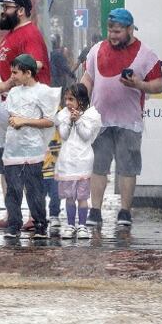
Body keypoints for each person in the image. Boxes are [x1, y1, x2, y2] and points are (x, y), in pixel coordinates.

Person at [81, 9, 162, 231]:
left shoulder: (146, 54)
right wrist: (79, 99)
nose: (113, 35)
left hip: (129, 122)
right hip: (100, 121)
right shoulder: (96, 50)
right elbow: (88, 78)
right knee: (98, 167)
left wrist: (140, 85)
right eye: (110, 31)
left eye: (117, 31)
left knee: (127, 168)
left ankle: (125, 212)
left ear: (129, 29)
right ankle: (95, 211)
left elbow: (158, 85)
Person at [0, 0, 51, 230]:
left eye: (6, 7)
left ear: (20, 10)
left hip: (24, 112)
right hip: (4, 112)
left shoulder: (29, 34)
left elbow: (36, 64)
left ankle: (35, 217)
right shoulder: (10, 35)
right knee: (7, 165)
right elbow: (4, 68)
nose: (2, 11)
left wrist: (6, 84)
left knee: (27, 166)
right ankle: (12, 215)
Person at [1, 54, 58, 239]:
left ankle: (40, 223)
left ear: (28, 73)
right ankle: (13, 224)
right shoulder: (13, 93)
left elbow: (49, 121)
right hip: (13, 148)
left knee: (34, 189)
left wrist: (24, 121)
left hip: (33, 149)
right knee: (13, 189)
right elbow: (10, 116)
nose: (12, 76)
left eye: (15, 73)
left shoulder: (43, 92)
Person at [54, 83, 102, 239]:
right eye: (66, 99)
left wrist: (79, 120)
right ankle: (70, 225)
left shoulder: (90, 116)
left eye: (71, 99)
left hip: (83, 161)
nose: (67, 103)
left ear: (81, 101)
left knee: (82, 197)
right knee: (69, 196)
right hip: (67, 162)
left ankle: (82, 225)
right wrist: (69, 120)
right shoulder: (62, 115)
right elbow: (64, 135)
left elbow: (86, 136)